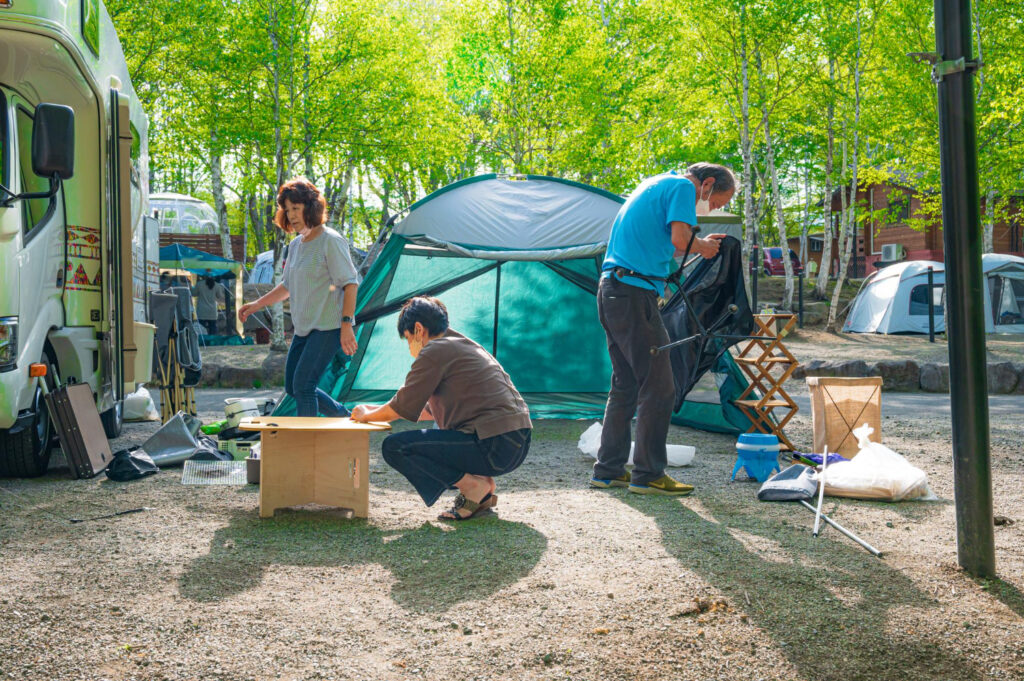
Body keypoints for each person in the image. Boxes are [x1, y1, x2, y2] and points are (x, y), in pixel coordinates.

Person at [591, 163, 736, 496]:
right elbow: (681, 239)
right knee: (660, 385)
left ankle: (608, 471)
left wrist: (698, 245)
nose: (710, 207)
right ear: (708, 183)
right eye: (715, 201)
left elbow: (670, 245)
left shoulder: (655, 184)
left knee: (626, 383)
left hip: (612, 289)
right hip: (632, 293)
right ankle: (648, 474)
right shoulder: (684, 188)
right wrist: (701, 246)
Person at [350, 297, 532, 521]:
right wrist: (378, 409)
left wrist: (367, 415)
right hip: (513, 442)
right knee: (433, 439)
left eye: (408, 339)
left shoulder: (435, 349)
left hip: (494, 444)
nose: (410, 349)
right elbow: (423, 409)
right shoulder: (459, 344)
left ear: (418, 330)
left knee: (395, 448)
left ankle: (473, 485)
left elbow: (402, 405)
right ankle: (482, 489)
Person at [238, 178, 359, 417]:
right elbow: (287, 286)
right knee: (294, 387)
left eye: (296, 207)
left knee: (304, 386)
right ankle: (343, 416)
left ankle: (308, 446)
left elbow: (350, 284)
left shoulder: (331, 241)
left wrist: (346, 325)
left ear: (310, 207)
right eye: (287, 209)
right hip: (304, 329)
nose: (291, 214)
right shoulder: (295, 246)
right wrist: (256, 304)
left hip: (329, 327)